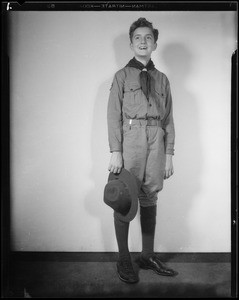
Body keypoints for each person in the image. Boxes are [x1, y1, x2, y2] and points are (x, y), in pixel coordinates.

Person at [107, 17, 178, 284]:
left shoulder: (162, 79)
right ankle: (123, 257)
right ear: (131, 43)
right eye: (138, 37)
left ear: (155, 43)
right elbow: (113, 115)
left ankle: (146, 255)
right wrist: (116, 150)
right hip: (131, 140)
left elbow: (168, 118)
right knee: (124, 198)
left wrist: (169, 154)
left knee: (150, 196)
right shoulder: (122, 76)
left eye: (148, 37)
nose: (143, 42)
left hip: (156, 142)